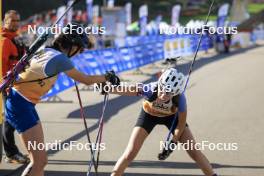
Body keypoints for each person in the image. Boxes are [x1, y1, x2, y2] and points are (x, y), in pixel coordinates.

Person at [4, 22, 120, 176]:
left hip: (23, 103)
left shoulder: (46, 50)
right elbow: (85, 79)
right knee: (39, 161)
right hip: (20, 105)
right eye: (80, 48)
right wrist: (107, 77)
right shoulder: (60, 59)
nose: (80, 52)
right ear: (72, 45)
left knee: (40, 161)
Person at [110, 68, 218, 176]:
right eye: (162, 89)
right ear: (159, 83)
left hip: (171, 118)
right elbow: (127, 89)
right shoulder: (151, 88)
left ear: (175, 93)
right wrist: (108, 89)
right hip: (149, 115)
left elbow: (181, 123)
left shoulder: (180, 99)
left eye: (168, 93)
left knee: (193, 151)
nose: (162, 95)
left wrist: (172, 143)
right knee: (130, 153)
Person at [0, 10, 29, 164]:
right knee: (10, 119)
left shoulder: (14, 38)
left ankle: (9, 152)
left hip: (17, 84)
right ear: (5, 21)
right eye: (12, 20)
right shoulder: (4, 40)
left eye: (17, 20)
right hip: (8, 85)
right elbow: (2, 67)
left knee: (12, 118)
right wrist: (7, 85)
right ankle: (10, 153)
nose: (16, 23)